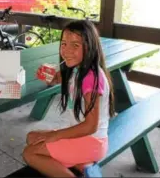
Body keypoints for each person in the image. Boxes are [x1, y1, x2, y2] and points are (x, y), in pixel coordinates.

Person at [22, 20, 115, 177]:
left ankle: (78, 165)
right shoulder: (77, 68)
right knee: (31, 137)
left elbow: (91, 126)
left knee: (30, 153)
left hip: (91, 141)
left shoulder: (91, 78)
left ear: (89, 47)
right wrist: (50, 78)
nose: (67, 50)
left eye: (75, 45)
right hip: (84, 138)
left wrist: (55, 135)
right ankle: (81, 165)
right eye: (64, 44)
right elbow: (60, 79)